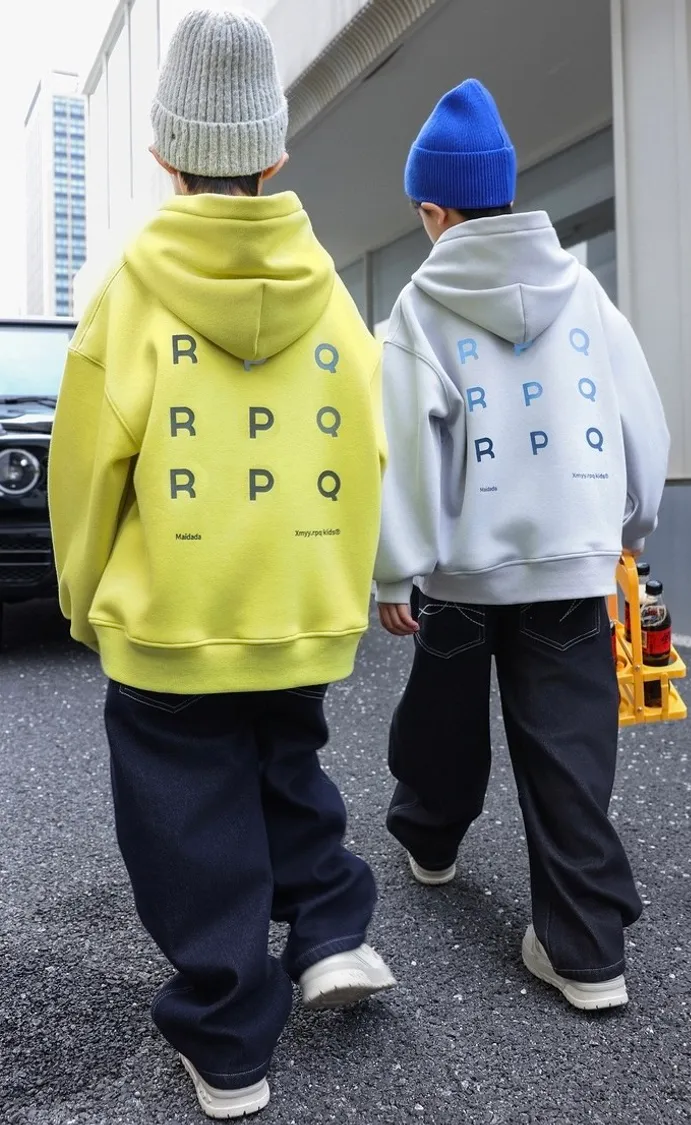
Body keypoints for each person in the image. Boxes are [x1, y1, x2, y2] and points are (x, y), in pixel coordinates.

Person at [49, 9, 393, 1118]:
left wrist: (84, 601)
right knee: (288, 767)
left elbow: (85, 473)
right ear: (274, 157)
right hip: (297, 609)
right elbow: (371, 448)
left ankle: (230, 1032)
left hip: (173, 619)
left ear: (164, 154)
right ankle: (331, 932)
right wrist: (348, 585)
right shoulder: (333, 295)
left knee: (186, 820)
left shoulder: (129, 296)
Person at [374, 79, 669, 1012]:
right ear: (505, 191)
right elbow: (641, 421)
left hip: (462, 572)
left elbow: (405, 444)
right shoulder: (584, 290)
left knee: (442, 719)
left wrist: (396, 567)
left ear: (434, 210)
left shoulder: (420, 306)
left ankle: (430, 839)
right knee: (570, 748)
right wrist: (627, 526)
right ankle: (587, 953)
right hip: (570, 565)